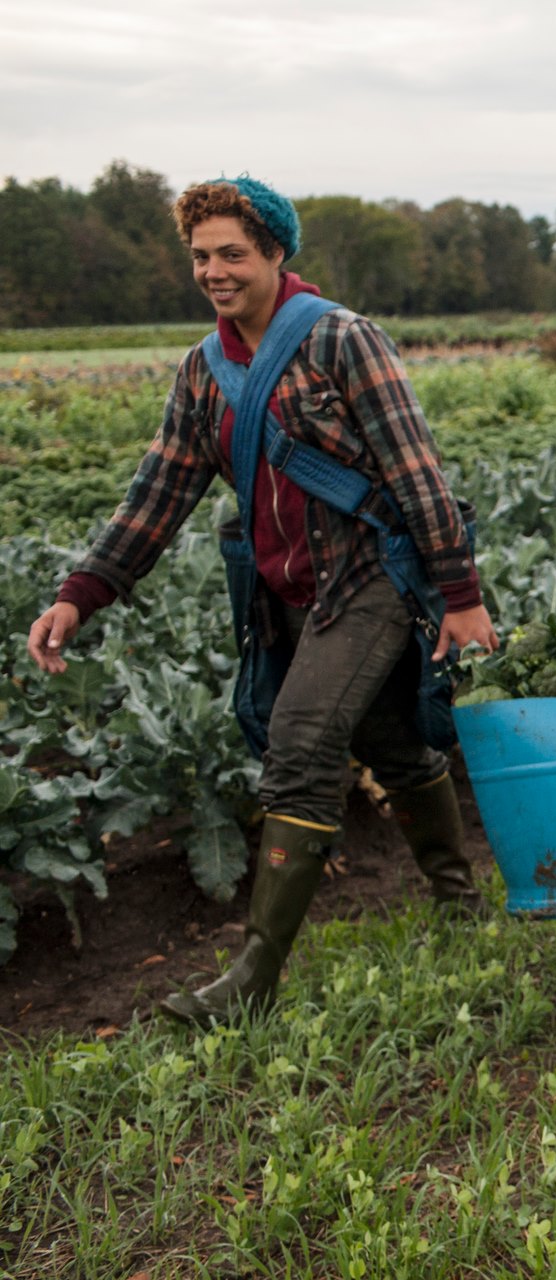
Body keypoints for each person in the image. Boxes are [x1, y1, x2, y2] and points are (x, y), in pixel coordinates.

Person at [24, 176, 498, 1024]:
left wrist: (458, 592)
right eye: (201, 255)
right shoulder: (203, 372)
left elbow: (415, 470)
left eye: (232, 253)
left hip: (372, 579)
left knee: (303, 743)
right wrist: (82, 592)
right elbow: (160, 490)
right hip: (284, 594)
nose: (214, 270)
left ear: (276, 252)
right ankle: (460, 901)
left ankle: (255, 975)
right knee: (389, 738)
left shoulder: (344, 341)